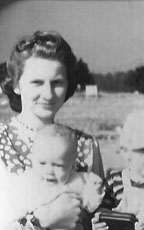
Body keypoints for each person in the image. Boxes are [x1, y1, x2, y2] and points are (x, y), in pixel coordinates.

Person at [0, 30, 104, 229]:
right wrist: (42, 221)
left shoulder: (86, 145)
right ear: (16, 85)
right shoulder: (1, 141)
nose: (48, 94)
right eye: (37, 82)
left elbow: (101, 214)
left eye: (57, 83)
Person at [0, 124, 105, 229]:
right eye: (42, 163)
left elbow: (91, 204)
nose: (49, 171)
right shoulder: (27, 183)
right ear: (32, 160)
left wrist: (95, 191)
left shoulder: (77, 180)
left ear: (73, 165)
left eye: (58, 165)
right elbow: (12, 213)